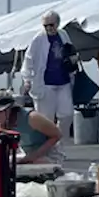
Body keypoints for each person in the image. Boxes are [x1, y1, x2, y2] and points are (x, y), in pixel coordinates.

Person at [19, 10, 75, 140]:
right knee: (45, 118)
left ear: (57, 23)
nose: (49, 28)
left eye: (51, 24)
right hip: (45, 84)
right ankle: (45, 146)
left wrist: (72, 65)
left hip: (63, 81)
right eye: (46, 25)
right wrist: (27, 79)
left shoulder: (63, 34)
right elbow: (29, 59)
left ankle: (58, 143)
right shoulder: (38, 38)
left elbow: (70, 50)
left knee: (67, 114)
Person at [0, 90, 64, 165]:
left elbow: (57, 135)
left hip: (49, 154)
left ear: (8, 109)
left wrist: (34, 156)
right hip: (27, 155)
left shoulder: (32, 118)